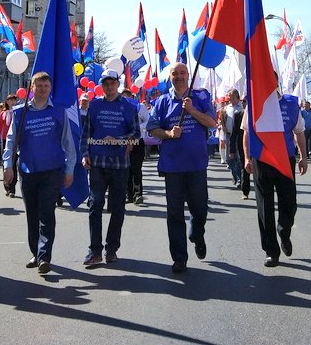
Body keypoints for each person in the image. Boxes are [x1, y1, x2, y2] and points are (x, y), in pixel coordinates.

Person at [147, 62, 218, 273]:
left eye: (182, 73)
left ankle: (197, 234)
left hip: (196, 165)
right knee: (174, 213)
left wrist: (193, 110)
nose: (178, 77)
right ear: (169, 77)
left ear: (188, 75)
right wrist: (168, 134)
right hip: (173, 167)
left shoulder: (201, 97)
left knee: (200, 209)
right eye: (174, 73)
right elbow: (152, 129)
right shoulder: (161, 101)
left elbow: (212, 122)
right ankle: (179, 257)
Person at [3, 72, 76, 274]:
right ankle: (36, 253)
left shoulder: (59, 112)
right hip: (28, 171)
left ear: (50, 88)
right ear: (32, 88)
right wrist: (7, 166)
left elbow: (68, 143)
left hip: (52, 171)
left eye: (46, 85)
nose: (43, 89)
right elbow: (10, 142)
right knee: (32, 214)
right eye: (39, 85)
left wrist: (69, 169)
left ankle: (45, 256)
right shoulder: (20, 113)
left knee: (46, 212)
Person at [82, 69, 140, 266]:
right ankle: (94, 250)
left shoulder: (129, 106)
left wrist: (118, 140)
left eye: (112, 83)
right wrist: (84, 154)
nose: (109, 86)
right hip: (98, 163)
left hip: (120, 165)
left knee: (117, 208)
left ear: (118, 83)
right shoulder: (95, 105)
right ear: (101, 85)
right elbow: (86, 133)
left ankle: (112, 249)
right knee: (94, 205)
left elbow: (136, 134)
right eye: (105, 83)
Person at [246, 88, 307, 267]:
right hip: (262, 159)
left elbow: (299, 132)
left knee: (289, 203)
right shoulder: (254, 105)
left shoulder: (290, 104)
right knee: (264, 206)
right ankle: (271, 251)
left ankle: (284, 230)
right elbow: (247, 132)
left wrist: (303, 157)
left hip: (285, 159)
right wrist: (248, 157)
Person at [127, 92, 149, 205]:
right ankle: (129, 195)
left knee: (136, 169)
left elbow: (148, 121)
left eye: (128, 95)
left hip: (137, 141)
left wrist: (137, 128)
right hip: (123, 142)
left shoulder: (140, 107)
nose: (126, 98)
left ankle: (137, 194)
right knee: (126, 170)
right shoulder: (120, 107)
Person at [0, 95, 17, 195]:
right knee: (6, 164)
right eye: (10, 100)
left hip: (16, 140)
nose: (12, 102)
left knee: (14, 164)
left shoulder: (18, 112)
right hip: (5, 140)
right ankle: (7, 186)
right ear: (7, 102)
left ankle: (12, 189)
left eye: (14, 100)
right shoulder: (3, 114)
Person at [221, 90, 244, 185]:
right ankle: (234, 174)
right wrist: (223, 125)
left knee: (238, 158)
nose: (229, 98)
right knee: (229, 158)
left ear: (236, 96)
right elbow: (222, 120)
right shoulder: (226, 108)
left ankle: (239, 179)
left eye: (230, 96)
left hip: (239, 136)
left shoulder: (242, 108)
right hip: (229, 135)